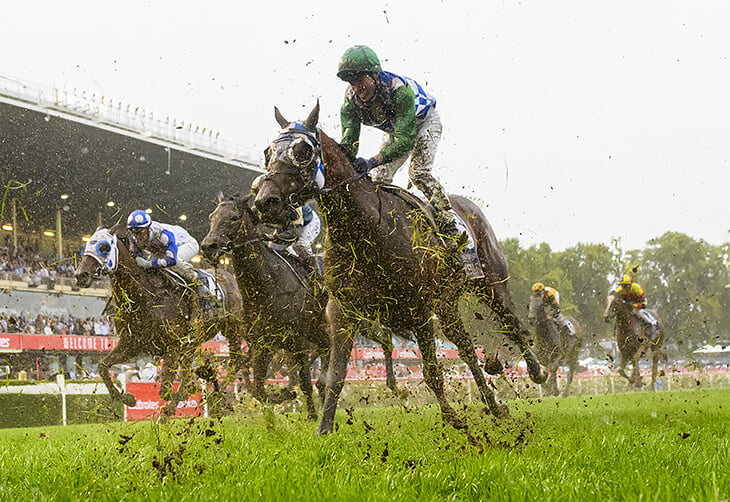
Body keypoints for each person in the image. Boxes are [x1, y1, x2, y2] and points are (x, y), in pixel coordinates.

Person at [336, 45, 462, 245]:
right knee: (378, 179)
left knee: (418, 173)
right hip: (396, 130)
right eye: (352, 82)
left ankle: (450, 223)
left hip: (424, 123)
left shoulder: (399, 91)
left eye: (360, 81)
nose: (357, 88)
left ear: (375, 75)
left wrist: (371, 161)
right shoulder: (350, 100)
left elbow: (406, 141)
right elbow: (350, 143)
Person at [250, 174, 321, 268]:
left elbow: (293, 234)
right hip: (286, 227)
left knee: (300, 245)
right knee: (273, 248)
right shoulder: (261, 206)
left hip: (307, 225)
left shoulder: (292, 205)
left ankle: (317, 273)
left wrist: (271, 237)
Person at [126, 209, 200, 284]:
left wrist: (148, 264)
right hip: (162, 249)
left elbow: (171, 260)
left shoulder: (163, 234)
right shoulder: (134, 239)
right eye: (133, 232)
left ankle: (196, 280)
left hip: (187, 244)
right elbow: (136, 258)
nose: (137, 237)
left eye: (140, 233)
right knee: (151, 263)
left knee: (175, 262)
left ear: (148, 229)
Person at [610, 274, 660, 340]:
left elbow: (644, 304)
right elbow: (614, 302)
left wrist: (634, 305)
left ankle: (652, 324)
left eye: (625, 286)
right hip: (627, 306)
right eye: (622, 286)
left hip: (637, 306)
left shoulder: (638, 289)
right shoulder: (619, 290)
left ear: (630, 285)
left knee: (638, 312)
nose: (624, 288)